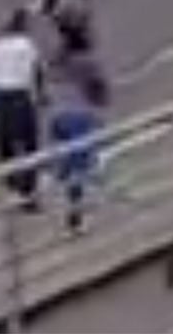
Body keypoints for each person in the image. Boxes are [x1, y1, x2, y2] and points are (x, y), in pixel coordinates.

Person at [48, 18, 110, 232]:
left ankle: (69, 202)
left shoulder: (57, 57)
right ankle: (76, 214)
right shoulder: (87, 60)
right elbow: (100, 90)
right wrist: (101, 104)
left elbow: (49, 81)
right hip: (78, 114)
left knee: (67, 163)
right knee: (81, 166)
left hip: (57, 114)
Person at [0, 8, 45, 208]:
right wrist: (41, 94)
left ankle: (11, 184)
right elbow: (37, 70)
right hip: (21, 96)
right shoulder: (26, 45)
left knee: (5, 145)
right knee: (29, 146)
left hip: (2, 97)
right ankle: (28, 192)